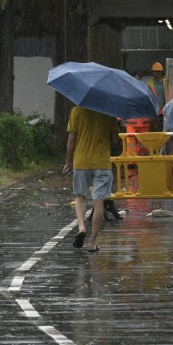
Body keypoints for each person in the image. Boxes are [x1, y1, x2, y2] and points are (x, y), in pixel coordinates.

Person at [63, 104, 118, 252]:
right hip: (102, 163)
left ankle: (81, 227)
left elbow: (72, 138)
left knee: (80, 196)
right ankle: (92, 242)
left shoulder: (76, 111)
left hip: (82, 161)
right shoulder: (109, 112)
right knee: (98, 201)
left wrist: (68, 161)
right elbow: (114, 141)